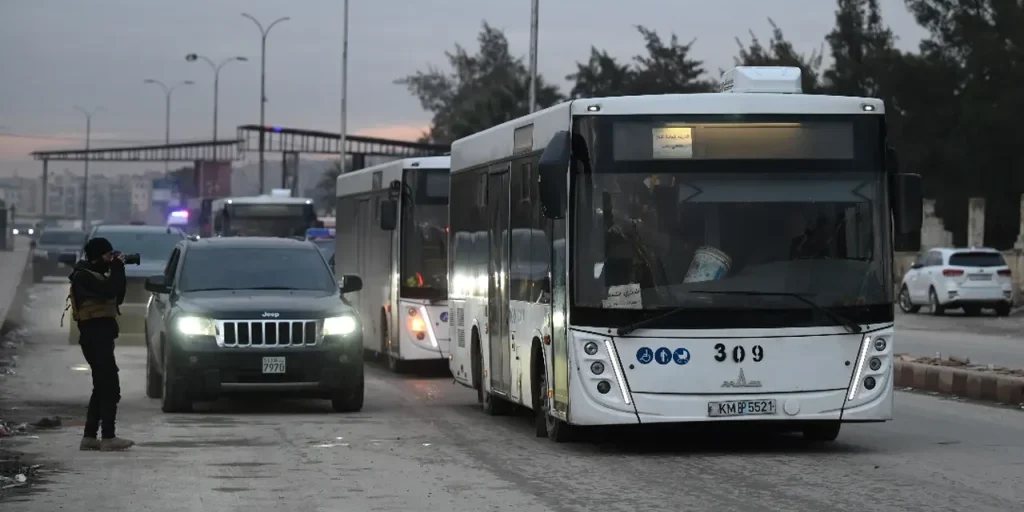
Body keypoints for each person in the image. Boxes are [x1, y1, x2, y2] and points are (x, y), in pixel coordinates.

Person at [67, 237, 134, 452]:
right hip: (94, 338)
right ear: (97, 256)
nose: (110, 258)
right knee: (110, 387)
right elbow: (108, 291)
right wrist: (117, 267)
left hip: (102, 337)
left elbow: (117, 296)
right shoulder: (83, 277)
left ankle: (89, 436)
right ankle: (108, 437)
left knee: (101, 386)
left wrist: (118, 269)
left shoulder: (98, 275)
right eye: (107, 255)